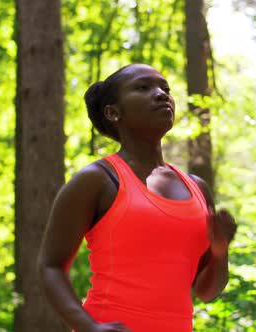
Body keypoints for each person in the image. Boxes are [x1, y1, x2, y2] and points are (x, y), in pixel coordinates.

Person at [37, 63, 237, 332]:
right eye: (143, 88)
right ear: (113, 112)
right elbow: (50, 267)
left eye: (165, 88)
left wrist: (220, 250)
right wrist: (89, 327)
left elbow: (205, 291)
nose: (161, 94)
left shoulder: (198, 189)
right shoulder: (98, 179)